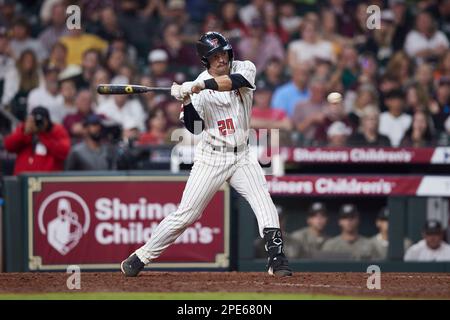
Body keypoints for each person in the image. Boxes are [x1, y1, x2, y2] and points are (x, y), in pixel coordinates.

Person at [121, 31, 292, 277]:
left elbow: (235, 82)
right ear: (206, 60)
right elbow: (196, 128)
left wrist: (199, 86)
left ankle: (277, 259)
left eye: (223, 52)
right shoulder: (197, 85)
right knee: (187, 214)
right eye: (215, 56)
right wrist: (188, 99)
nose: (221, 59)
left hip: (242, 154)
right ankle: (142, 256)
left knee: (263, 200)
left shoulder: (245, 67)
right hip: (211, 156)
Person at [3, 106, 70, 175]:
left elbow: (64, 152)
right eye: (35, 120)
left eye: (40, 121)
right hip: (23, 179)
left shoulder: (56, 131)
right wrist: (24, 133)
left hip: (46, 181)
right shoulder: (24, 129)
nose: (37, 123)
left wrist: (43, 135)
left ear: (48, 121)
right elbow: (8, 146)